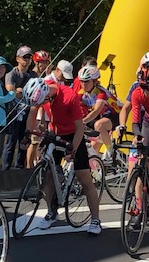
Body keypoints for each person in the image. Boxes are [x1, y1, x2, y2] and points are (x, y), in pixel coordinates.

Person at [23, 77, 102, 235]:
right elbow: (32, 115)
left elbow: (80, 127)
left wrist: (73, 148)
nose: (39, 105)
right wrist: (28, 133)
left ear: (46, 94)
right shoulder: (40, 93)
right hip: (55, 133)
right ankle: (52, 211)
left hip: (73, 134)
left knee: (84, 178)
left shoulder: (69, 96)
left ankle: (95, 219)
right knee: (48, 176)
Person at [4, 45, 36, 169]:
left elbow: (35, 92)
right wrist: (21, 92)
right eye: (24, 57)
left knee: (24, 142)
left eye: (29, 57)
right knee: (10, 143)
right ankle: (5, 170)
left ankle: (19, 168)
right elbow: (11, 91)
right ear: (18, 58)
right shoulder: (11, 73)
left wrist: (20, 91)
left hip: (28, 112)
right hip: (14, 112)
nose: (27, 60)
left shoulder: (33, 74)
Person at [78, 65, 121, 157]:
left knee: (99, 125)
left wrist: (82, 122)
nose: (83, 84)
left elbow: (96, 110)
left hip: (115, 115)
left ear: (94, 81)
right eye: (81, 81)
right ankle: (98, 169)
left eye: (86, 81)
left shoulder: (101, 93)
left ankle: (111, 151)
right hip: (102, 116)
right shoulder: (82, 93)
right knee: (92, 152)